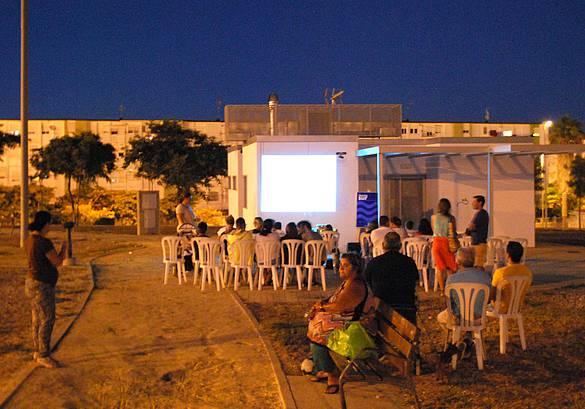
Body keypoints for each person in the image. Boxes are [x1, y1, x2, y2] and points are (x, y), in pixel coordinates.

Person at [306, 253, 374, 394]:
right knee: (315, 325)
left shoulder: (356, 285)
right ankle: (323, 367)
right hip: (346, 322)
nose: (341, 269)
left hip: (354, 328)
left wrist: (321, 308)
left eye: (345, 266)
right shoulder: (348, 282)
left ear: (356, 268)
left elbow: (340, 306)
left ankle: (332, 373)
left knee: (318, 334)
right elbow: (333, 301)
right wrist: (320, 306)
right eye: (340, 265)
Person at [25, 211, 67, 368]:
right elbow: (57, 262)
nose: (50, 226)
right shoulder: (43, 242)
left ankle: (37, 351)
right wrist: (63, 250)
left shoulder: (29, 240)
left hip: (31, 282)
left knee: (37, 319)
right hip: (42, 285)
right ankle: (43, 354)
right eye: (49, 223)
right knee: (48, 318)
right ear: (45, 224)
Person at [365, 232, 419, 324]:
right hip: (406, 307)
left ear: (383, 245)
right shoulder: (409, 262)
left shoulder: (374, 263)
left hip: (381, 308)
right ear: (400, 246)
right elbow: (415, 282)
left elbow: (368, 284)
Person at [437, 247, 491, 331]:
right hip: (479, 318)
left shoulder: (451, 279)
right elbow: (488, 299)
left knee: (440, 317)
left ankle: (456, 337)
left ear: (457, 261)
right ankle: (468, 337)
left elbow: (448, 302)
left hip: (458, 319)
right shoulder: (485, 277)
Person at [489, 241, 533, 314]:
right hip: (517, 307)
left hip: (500, 308)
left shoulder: (500, 272)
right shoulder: (527, 272)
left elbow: (492, 295)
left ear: (507, 255)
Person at [432, 198, 458, 291]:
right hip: (447, 242)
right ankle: (451, 288)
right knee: (450, 267)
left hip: (436, 242)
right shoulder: (451, 218)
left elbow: (434, 230)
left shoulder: (434, 217)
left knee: (439, 267)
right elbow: (453, 232)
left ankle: (442, 290)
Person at [465, 195, 490, 268]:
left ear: (480, 203)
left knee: (478, 266)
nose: (472, 203)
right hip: (477, 244)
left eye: (474, 201)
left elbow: (471, 226)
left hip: (479, 244)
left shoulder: (481, 214)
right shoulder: (482, 213)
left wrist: (466, 232)